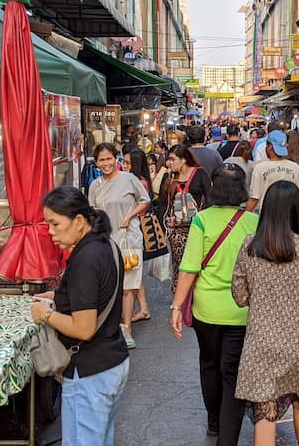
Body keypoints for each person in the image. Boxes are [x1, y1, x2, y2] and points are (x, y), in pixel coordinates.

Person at [30, 186, 128, 446]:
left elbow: (83, 328)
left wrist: (45, 314)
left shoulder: (86, 258)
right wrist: (58, 297)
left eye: (54, 223)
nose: (50, 231)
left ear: (79, 222)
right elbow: (97, 294)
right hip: (112, 362)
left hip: (91, 372)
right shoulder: (105, 244)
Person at [169, 165, 259, 446]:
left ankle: (213, 423)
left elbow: (189, 268)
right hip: (241, 310)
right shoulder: (253, 222)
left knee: (209, 363)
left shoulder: (201, 221)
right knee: (232, 372)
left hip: (206, 309)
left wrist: (176, 307)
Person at [233, 181, 299, 446]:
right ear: (298, 211)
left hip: (262, 342)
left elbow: (239, 296)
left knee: (265, 414)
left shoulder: (251, 245)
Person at [87, 143, 151, 350]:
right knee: (106, 285)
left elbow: (145, 201)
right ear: (96, 163)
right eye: (101, 160)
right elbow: (92, 214)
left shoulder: (129, 179)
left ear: (116, 160)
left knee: (128, 287)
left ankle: (127, 329)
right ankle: (108, 327)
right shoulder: (95, 186)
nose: (106, 163)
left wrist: (130, 216)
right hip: (106, 242)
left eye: (109, 158)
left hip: (129, 239)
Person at [161, 143, 212, 290]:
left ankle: (192, 295)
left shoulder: (200, 173)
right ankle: (181, 297)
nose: (168, 163)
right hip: (176, 231)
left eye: (172, 159)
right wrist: (165, 226)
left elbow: (210, 198)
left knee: (195, 263)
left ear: (183, 160)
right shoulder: (169, 177)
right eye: (168, 159)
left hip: (196, 227)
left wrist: (204, 221)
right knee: (181, 264)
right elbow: (163, 203)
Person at [124, 148, 153, 324]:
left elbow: (142, 205)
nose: (124, 166)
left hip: (135, 230)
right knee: (135, 271)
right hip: (135, 230)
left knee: (132, 270)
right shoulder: (139, 180)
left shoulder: (137, 182)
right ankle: (144, 309)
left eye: (127, 163)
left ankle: (140, 309)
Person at [246, 131, 299, 213]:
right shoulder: (295, 167)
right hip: (288, 215)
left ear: (270, 147)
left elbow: (254, 198)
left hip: (265, 217)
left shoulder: (260, 168)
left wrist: (244, 216)